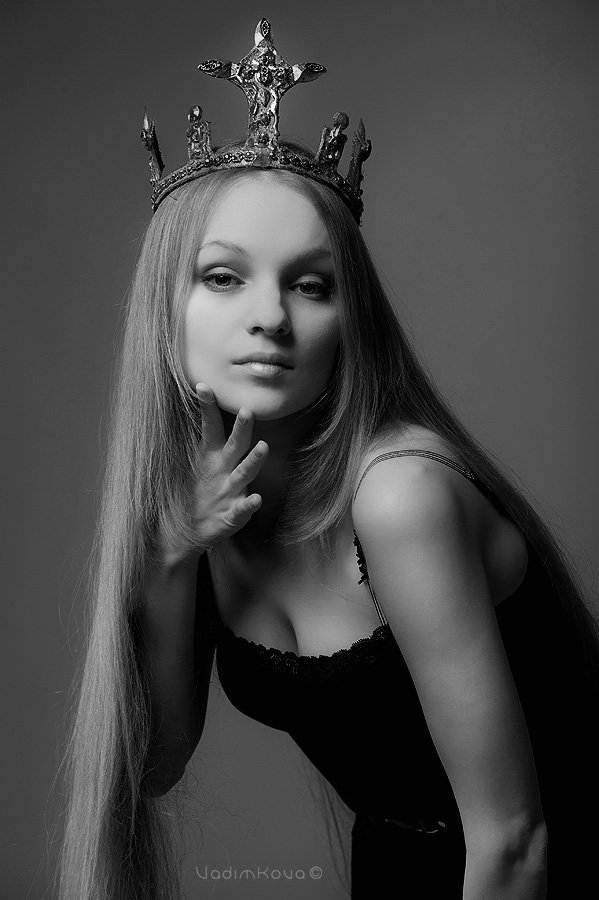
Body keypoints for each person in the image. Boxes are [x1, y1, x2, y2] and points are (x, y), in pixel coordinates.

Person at [56, 19, 599, 900]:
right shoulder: (206, 517)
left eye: (310, 284)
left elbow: (514, 840)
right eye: (223, 277)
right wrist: (168, 556)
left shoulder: (400, 497)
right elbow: (155, 767)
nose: (270, 316)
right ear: (165, 312)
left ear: (350, 321)